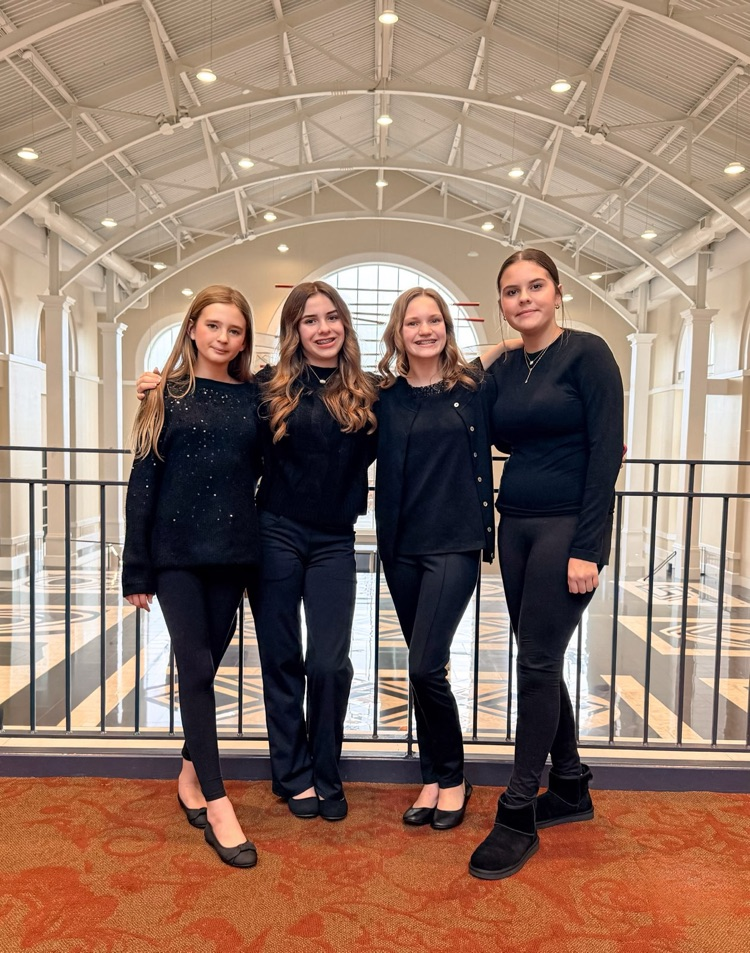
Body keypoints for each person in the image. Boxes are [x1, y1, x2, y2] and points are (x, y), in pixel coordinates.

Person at [468, 249, 624, 880]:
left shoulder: (588, 353)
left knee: (534, 661)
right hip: (519, 525)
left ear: (558, 292)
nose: (524, 297)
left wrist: (589, 547)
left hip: (566, 527)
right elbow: (463, 402)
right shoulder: (508, 367)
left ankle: (516, 810)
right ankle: (571, 786)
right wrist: (492, 351)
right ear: (501, 303)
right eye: (511, 290)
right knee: (540, 655)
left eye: (535, 287)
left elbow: (605, 454)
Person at [123, 285, 261, 869]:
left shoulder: (256, 397)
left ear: (244, 339)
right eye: (214, 326)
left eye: (234, 330)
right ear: (193, 329)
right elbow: (142, 484)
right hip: (175, 554)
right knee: (197, 665)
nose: (223, 338)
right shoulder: (164, 396)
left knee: (209, 666)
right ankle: (218, 800)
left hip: (232, 554)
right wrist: (136, 566)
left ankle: (187, 772)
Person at [375, 287, 519, 830]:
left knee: (424, 664)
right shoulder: (382, 396)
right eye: (414, 322)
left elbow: (518, 372)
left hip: (454, 543)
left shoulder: (472, 387)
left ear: (447, 328)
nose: (425, 330)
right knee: (424, 666)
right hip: (401, 547)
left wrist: (506, 341)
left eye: (434, 320)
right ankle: (433, 777)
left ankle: (454, 776)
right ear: (398, 332)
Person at [250, 281, 378, 821]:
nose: (323, 328)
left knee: (328, 663)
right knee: (281, 660)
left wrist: (506, 347)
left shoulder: (370, 391)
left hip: (333, 541)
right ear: (294, 330)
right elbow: (206, 384)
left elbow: (434, 380)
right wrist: (160, 384)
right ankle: (293, 774)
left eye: (331, 317)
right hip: (274, 533)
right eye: (309, 320)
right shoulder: (267, 386)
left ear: (344, 325)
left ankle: (327, 769)